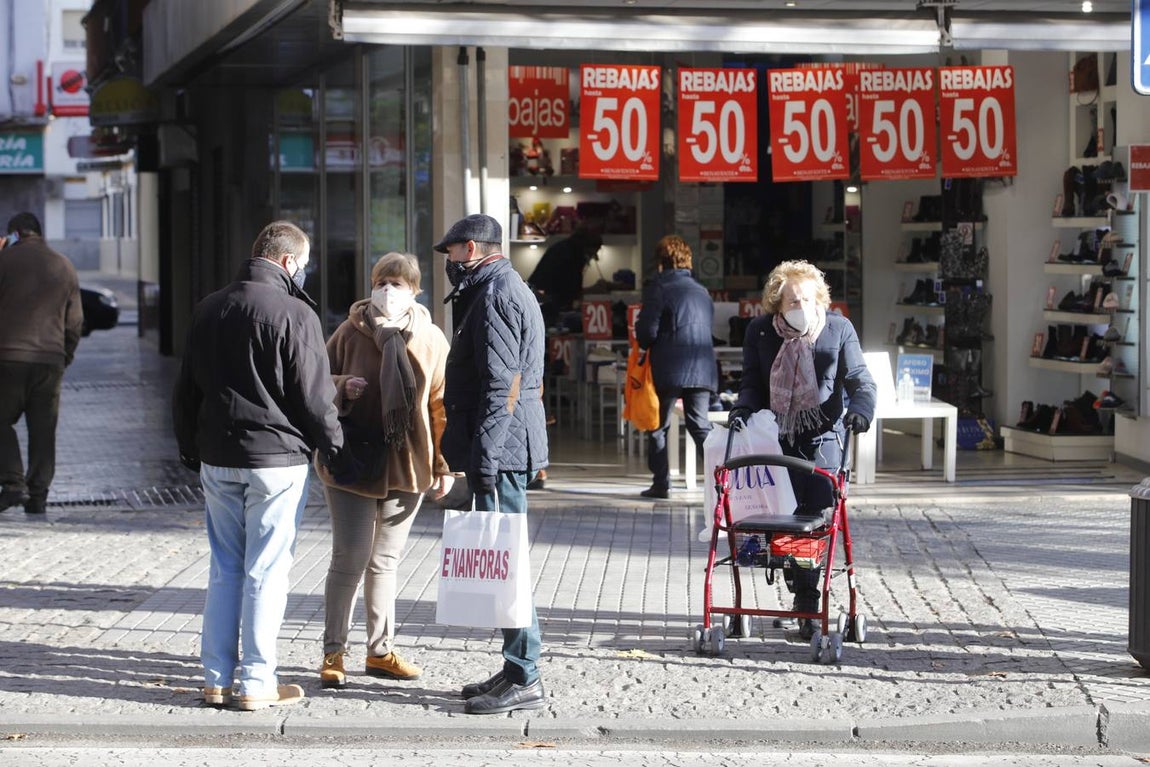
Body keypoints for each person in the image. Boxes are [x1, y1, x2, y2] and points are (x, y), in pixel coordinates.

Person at [172, 220, 355, 711]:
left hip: (218, 457)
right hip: (276, 461)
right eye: (305, 263)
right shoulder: (295, 312)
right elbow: (316, 398)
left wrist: (191, 447)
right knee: (266, 572)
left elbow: (186, 388)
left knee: (224, 568)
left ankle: (216, 678)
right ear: (290, 261)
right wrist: (336, 449)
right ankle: (256, 682)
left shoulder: (210, 307)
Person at [316, 251, 453, 690]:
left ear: (416, 290)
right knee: (348, 559)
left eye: (398, 283)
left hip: (405, 462)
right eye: (382, 281)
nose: (388, 291)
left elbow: (440, 407)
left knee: (385, 562)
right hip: (352, 462)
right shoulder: (347, 331)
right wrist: (343, 387)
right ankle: (333, 651)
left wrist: (444, 465)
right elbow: (316, 383)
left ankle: (380, 650)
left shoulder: (431, 338)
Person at [436, 213, 549, 715]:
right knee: (505, 563)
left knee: (509, 564)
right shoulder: (493, 289)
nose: (450, 262)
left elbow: (504, 387)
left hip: (503, 451)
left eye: (453, 253)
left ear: (475, 249)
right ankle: (515, 666)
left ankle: (525, 674)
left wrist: (484, 459)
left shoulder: (498, 294)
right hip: (502, 449)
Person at [727, 259, 876, 638]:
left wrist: (860, 410)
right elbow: (752, 382)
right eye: (792, 301)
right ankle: (800, 591)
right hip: (775, 438)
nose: (801, 307)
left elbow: (860, 379)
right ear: (777, 304)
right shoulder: (761, 332)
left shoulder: (838, 329)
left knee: (813, 515)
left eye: (808, 299)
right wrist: (743, 407)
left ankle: (807, 600)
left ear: (820, 299)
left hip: (823, 437)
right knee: (778, 518)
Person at [0, 212, 83, 516]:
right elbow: (75, 322)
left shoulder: (4, 261)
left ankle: (12, 483)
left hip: (7, 359)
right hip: (49, 362)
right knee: (43, 429)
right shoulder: (63, 265)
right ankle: (37, 496)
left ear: (15, 234)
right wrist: (64, 356)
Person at [634, 235, 717, 499]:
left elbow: (647, 331)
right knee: (699, 425)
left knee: (659, 425)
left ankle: (661, 484)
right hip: (703, 367)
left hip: (668, 366)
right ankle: (722, 480)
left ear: (661, 261)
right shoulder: (702, 290)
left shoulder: (659, 288)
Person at [527, 226, 602, 327]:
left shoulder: (564, 247)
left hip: (539, 301)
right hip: (547, 305)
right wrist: (594, 289)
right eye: (593, 252)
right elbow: (570, 291)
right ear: (588, 247)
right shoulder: (573, 255)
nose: (592, 256)